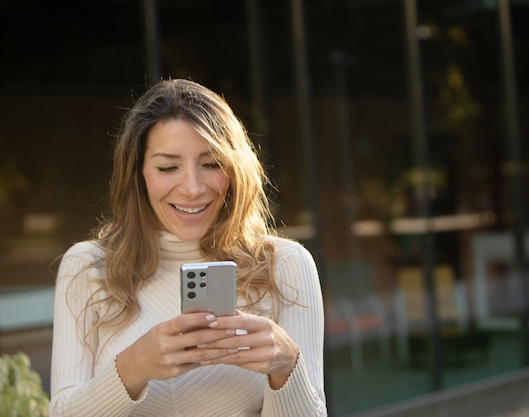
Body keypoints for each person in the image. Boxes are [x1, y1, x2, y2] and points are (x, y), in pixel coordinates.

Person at [49, 78, 327, 416]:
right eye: (168, 167)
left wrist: (286, 365)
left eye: (211, 164)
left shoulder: (285, 264)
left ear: (234, 170)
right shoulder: (88, 266)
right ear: (139, 174)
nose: (193, 189)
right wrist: (134, 367)